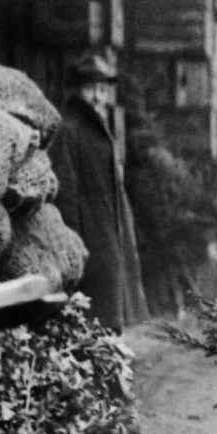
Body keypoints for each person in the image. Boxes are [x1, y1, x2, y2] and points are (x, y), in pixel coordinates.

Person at [49, 52, 148, 333]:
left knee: (107, 326)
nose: (97, 97)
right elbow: (65, 194)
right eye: (90, 88)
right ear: (77, 90)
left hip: (109, 239)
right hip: (90, 243)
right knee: (91, 326)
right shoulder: (68, 129)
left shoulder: (100, 129)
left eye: (102, 90)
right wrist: (76, 248)